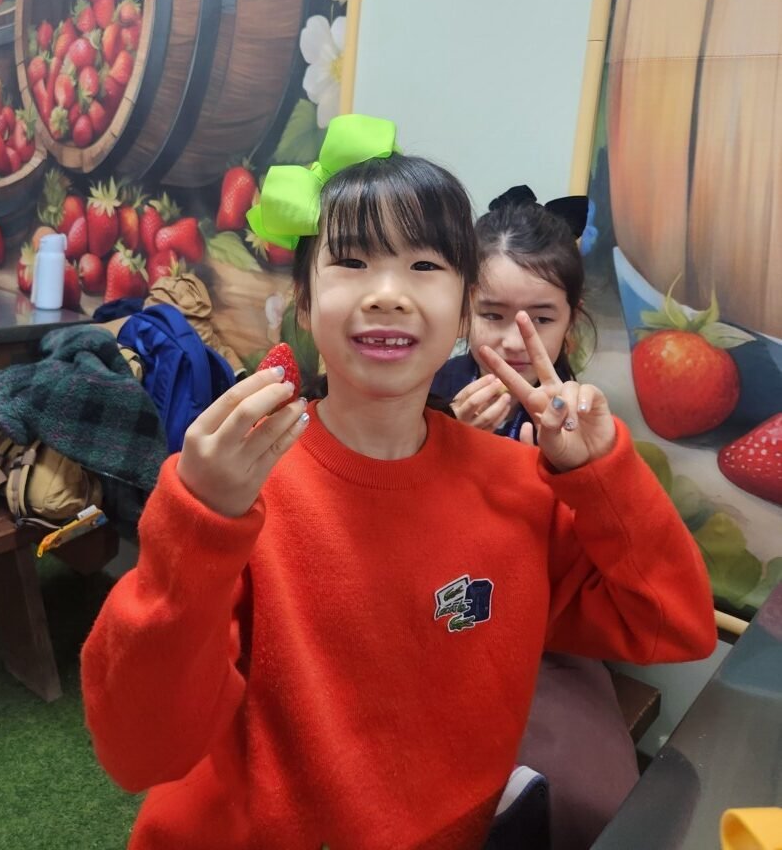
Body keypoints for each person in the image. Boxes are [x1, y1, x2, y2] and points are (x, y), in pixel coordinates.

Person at [81, 116, 717, 850]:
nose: (387, 293)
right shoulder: (241, 486)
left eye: (423, 266)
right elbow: (140, 752)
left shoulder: (518, 488)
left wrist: (597, 472)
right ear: (304, 301)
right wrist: (200, 522)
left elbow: (675, 623)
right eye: (351, 261)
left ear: (463, 309)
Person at [432, 185, 642, 850]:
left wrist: (574, 475)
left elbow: (614, 574)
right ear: (463, 308)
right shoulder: (426, 390)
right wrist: (444, 448)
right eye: (492, 314)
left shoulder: (583, 420)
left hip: (549, 641)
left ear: (570, 322)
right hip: (435, 625)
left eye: (540, 318)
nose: (513, 339)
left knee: (595, 800)